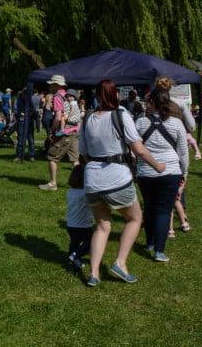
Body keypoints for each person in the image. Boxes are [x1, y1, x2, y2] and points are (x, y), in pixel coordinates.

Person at [79, 79, 165, 286]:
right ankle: (120, 263)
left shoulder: (88, 117)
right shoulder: (121, 114)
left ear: (98, 96)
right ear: (116, 95)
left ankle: (94, 273)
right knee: (135, 219)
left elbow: (84, 152)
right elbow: (139, 149)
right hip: (117, 178)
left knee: (101, 226)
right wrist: (158, 166)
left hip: (92, 180)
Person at [135, 88, 188, 262]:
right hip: (171, 171)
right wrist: (184, 172)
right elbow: (183, 151)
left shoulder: (141, 123)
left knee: (149, 207)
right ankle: (159, 250)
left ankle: (150, 242)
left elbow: (134, 148)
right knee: (164, 211)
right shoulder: (176, 123)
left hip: (145, 172)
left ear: (150, 103)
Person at [39, 76, 80, 190]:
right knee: (74, 159)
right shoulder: (68, 95)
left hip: (64, 131)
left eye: (51, 84)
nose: (50, 86)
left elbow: (57, 118)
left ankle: (53, 183)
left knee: (52, 157)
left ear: (56, 85)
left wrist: (51, 132)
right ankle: (79, 184)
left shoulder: (57, 97)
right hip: (74, 130)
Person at [65, 160, 93, 271]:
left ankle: (71, 264)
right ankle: (76, 256)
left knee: (74, 242)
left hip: (71, 224)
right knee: (92, 242)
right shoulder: (85, 193)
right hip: (84, 226)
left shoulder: (71, 191)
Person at [13, 88, 36, 162]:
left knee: (31, 140)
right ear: (22, 94)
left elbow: (33, 109)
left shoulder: (29, 100)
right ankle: (19, 156)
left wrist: (31, 112)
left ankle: (31, 156)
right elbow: (15, 111)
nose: (26, 96)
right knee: (20, 140)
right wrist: (22, 114)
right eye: (25, 95)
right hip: (21, 122)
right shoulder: (17, 100)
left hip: (29, 121)